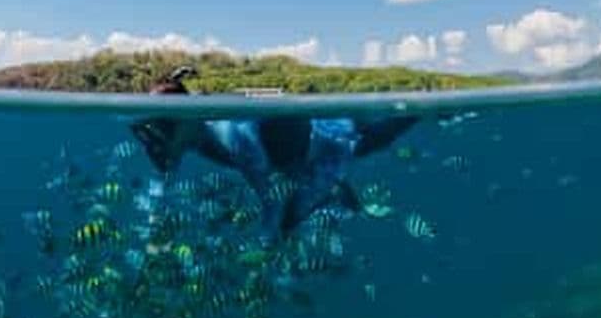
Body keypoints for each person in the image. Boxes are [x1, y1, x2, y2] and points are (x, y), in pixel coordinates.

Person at [132, 69, 418, 237]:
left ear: (188, 116)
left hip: (326, 137)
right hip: (295, 157)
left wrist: (269, 246)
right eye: (157, 127)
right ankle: (331, 186)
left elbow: (272, 203)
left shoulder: (232, 136)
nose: (162, 135)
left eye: (166, 126)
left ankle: (420, 111)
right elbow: (166, 170)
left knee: (379, 136)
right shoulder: (194, 133)